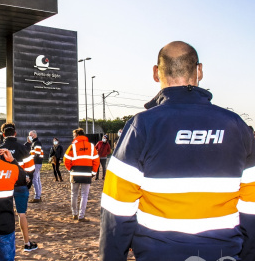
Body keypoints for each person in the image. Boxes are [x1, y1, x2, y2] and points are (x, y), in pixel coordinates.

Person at [99, 41, 255, 260]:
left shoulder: (141, 126)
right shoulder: (236, 126)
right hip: (224, 253)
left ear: (156, 72)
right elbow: (251, 208)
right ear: (199, 71)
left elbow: (117, 211)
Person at [0, 123, 38, 252]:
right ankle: (27, 243)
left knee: (4, 214)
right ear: (15, 133)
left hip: (4, 187)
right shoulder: (23, 148)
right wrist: (27, 182)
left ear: (3, 134)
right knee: (22, 214)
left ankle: (0, 244)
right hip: (20, 184)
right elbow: (31, 169)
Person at [63, 128, 99, 222]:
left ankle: (74, 214)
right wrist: (93, 172)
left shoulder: (73, 146)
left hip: (75, 172)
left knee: (74, 194)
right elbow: (96, 160)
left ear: (77, 135)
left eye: (74, 135)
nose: (73, 137)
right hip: (87, 173)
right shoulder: (91, 146)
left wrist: (70, 169)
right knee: (84, 195)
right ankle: (81, 216)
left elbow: (66, 159)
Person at [28, 130, 43, 203]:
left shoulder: (36, 143)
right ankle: (38, 195)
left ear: (34, 135)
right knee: (37, 179)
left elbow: (37, 154)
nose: (29, 137)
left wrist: (32, 162)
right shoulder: (35, 142)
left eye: (30, 135)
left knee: (35, 179)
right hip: (37, 163)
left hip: (36, 163)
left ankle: (37, 196)